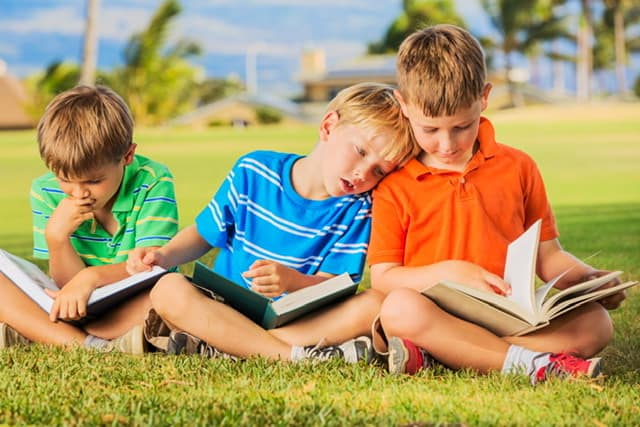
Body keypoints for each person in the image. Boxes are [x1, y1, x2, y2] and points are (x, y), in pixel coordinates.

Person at [367, 24, 626, 384]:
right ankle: (533, 364)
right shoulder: (394, 186)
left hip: (508, 312)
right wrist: (448, 272)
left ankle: (450, 352)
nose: (446, 144)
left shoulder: (518, 167)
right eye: (430, 130)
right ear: (404, 105)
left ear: (484, 98)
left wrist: (586, 279)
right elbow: (383, 278)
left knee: (596, 323)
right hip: (433, 312)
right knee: (397, 309)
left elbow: (548, 257)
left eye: (462, 127)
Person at [127, 82, 420, 362]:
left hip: (295, 320)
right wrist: (163, 256)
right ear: (329, 126)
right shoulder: (254, 170)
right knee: (167, 289)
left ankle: (229, 346)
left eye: (379, 171)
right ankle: (290, 356)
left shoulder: (359, 208)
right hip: (225, 308)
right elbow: (203, 234)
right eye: (360, 151)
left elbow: (334, 287)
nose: (363, 174)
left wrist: (292, 282)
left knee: (373, 305)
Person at [0, 85, 179, 353]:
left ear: (127, 156)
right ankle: (89, 344)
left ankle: (46, 334)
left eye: (94, 181)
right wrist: (57, 238)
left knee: (172, 294)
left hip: (135, 300)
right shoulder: (45, 190)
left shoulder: (152, 181)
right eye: (65, 180)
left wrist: (91, 278)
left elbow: (154, 266)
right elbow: (66, 286)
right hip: (74, 305)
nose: (80, 193)